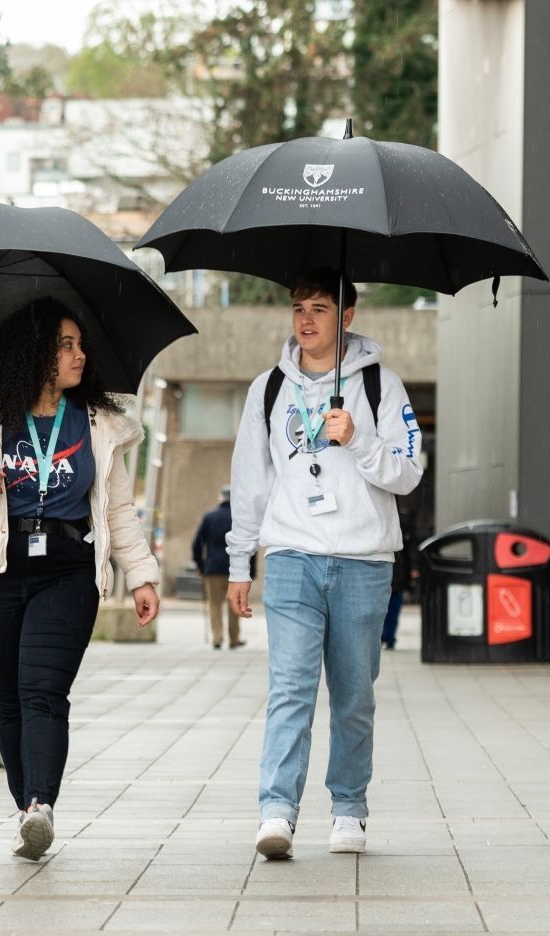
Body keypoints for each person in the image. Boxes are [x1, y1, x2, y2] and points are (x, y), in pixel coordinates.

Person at [0, 296, 161, 861]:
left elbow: (118, 509)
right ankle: (26, 812)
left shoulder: (97, 421)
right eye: (66, 345)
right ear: (35, 352)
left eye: (81, 345)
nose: (80, 355)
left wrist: (141, 575)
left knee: (42, 690)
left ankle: (41, 805)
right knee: (7, 702)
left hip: (67, 569)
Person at [226, 268, 424, 860]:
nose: (306, 319)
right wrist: (241, 560)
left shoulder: (381, 386)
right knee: (290, 685)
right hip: (292, 557)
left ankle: (348, 810)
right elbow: (250, 482)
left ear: (347, 316)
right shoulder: (267, 390)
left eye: (318, 307)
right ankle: (276, 811)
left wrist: (358, 439)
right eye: (297, 308)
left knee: (354, 694)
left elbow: (409, 474)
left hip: (364, 561)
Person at [191, 486, 242, 650]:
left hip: (212, 568)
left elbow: (197, 543)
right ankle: (234, 639)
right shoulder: (239, 517)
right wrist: (249, 570)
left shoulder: (210, 516)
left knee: (214, 604)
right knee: (234, 603)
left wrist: (200, 564)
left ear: (221, 497)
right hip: (235, 568)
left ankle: (217, 638)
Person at [382, 507, 416, 650]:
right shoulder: (402, 521)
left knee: (388, 607)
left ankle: (387, 636)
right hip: (395, 570)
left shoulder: (399, 521)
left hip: (393, 570)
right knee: (391, 607)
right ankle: (388, 636)